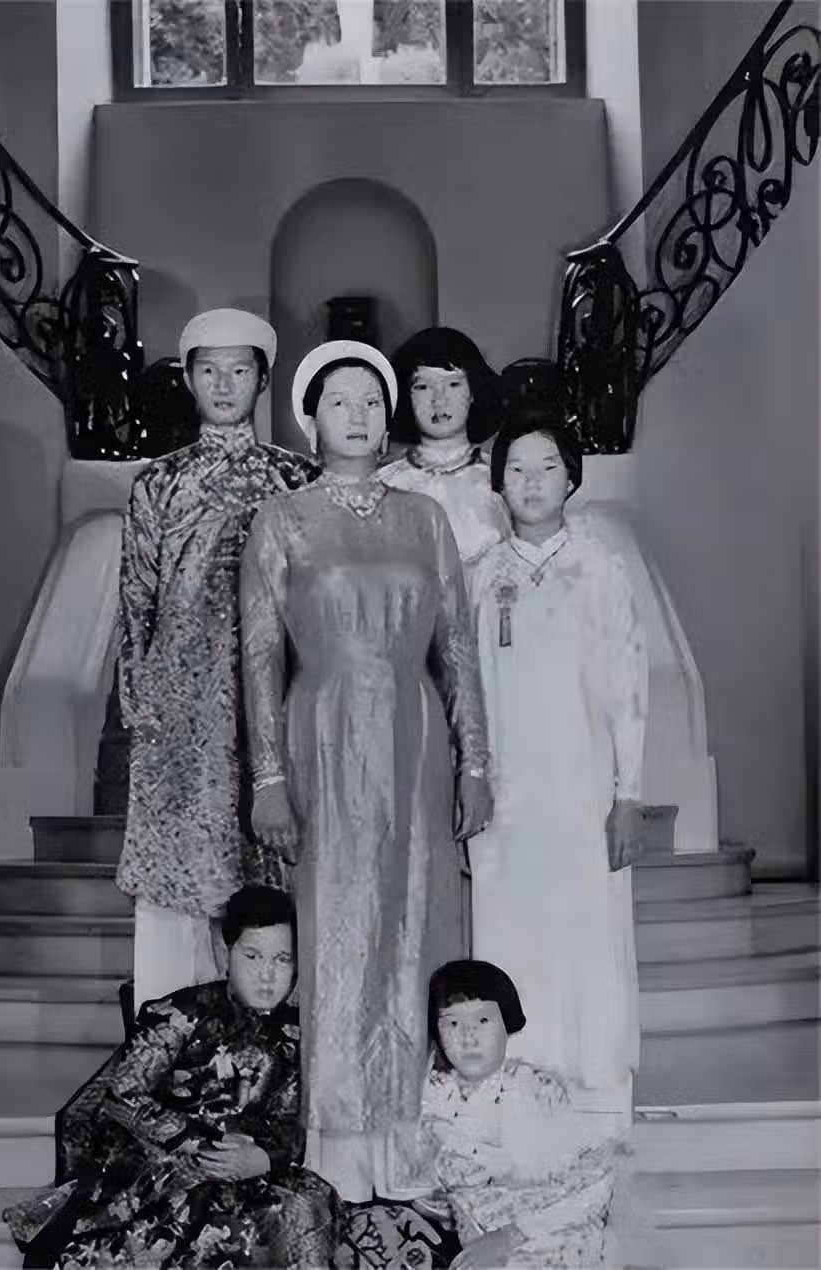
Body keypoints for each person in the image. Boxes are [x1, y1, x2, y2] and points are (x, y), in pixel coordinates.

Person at [239, 339, 493, 1203]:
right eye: (339, 401)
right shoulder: (283, 520)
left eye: (372, 401)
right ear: (311, 419)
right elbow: (259, 656)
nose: (359, 415)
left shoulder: (425, 518)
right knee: (337, 918)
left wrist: (475, 762)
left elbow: (457, 646)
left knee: (419, 914)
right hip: (323, 730)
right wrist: (268, 779)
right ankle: (338, 1154)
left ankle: (418, 1145)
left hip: (416, 736)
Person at [117, 309, 319, 1008]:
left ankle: (278, 1032)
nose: (224, 384)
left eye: (239, 370)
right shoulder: (158, 483)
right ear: (189, 379)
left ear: (263, 380)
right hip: (184, 713)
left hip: (280, 699)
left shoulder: (298, 478)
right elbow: (136, 603)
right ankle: (176, 1033)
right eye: (209, 370)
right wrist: (142, 706)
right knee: (184, 875)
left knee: (278, 866)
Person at [2, 886, 342, 1268]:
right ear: (225, 952)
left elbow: (288, 1122)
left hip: (244, 1166)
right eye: (252, 956)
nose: (267, 974)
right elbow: (122, 1094)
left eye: (282, 959)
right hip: (165, 1162)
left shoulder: (295, 1036)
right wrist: (202, 1144)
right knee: (212, 1219)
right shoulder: (180, 1014)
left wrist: (263, 1157)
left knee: (304, 1206)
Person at [466, 413, 647, 1123]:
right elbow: (465, 693)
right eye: (516, 469)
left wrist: (627, 795)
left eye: (547, 467)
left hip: (581, 789)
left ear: (571, 477)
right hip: (506, 796)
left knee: (587, 931)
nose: (532, 482)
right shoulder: (481, 576)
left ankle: (594, 1077)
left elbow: (627, 691)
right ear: (498, 484)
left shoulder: (600, 568)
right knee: (510, 927)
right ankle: (517, 1073)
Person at [396, 960, 626, 1269]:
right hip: (473, 1234)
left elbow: (594, 1180)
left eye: (483, 1020)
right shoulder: (431, 1094)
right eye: (452, 1023)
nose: (468, 1037)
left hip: (544, 1231)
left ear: (506, 1023)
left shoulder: (535, 1088)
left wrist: (512, 1236)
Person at [378, 327, 510, 563]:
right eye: (422, 386)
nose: (439, 400)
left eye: (453, 384)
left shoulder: (504, 480)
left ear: (473, 392)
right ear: (407, 396)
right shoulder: (384, 487)